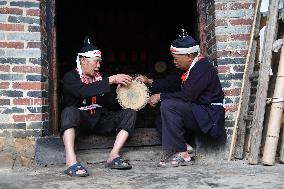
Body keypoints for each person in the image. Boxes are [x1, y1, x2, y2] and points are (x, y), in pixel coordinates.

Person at [137, 29, 225, 167]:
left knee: (169, 105)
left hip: (210, 116)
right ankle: (184, 146)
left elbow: (187, 95)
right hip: (199, 113)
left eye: (176, 59)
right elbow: (173, 83)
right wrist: (149, 81)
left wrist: (160, 96)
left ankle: (181, 154)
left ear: (189, 56)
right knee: (161, 119)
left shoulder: (202, 68)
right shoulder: (191, 69)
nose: (174, 62)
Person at [60, 36, 137, 177]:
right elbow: (82, 91)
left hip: (100, 119)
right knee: (68, 112)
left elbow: (111, 104)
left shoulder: (101, 79)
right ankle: (71, 162)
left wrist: (120, 92)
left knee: (129, 113)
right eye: (96, 62)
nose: (98, 66)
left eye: (99, 62)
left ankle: (113, 156)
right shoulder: (70, 77)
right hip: (81, 121)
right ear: (83, 61)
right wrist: (111, 80)